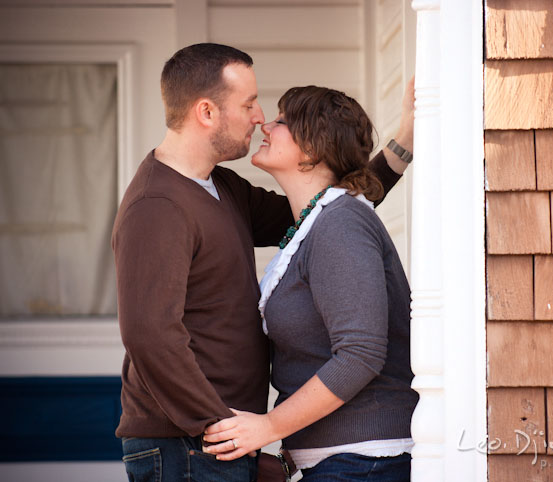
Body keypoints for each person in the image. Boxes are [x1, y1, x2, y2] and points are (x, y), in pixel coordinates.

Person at [112, 43, 414, 482]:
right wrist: (227, 432)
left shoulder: (223, 188)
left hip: (226, 441)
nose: (259, 117)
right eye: (249, 103)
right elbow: (150, 335)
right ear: (206, 112)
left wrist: (403, 143)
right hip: (189, 441)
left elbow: (321, 206)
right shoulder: (157, 205)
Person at [202, 85, 419, 481]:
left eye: (282, 121)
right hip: (340, 461)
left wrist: (268, 428)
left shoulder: (340, 223)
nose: (266, 124)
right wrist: (406, 136)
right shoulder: (321, 219)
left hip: (363, 462)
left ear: (314, 148)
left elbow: (361, 354)